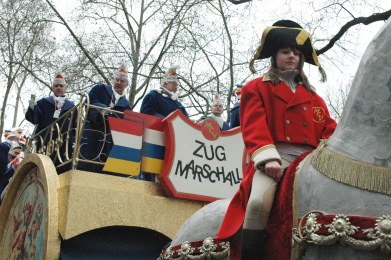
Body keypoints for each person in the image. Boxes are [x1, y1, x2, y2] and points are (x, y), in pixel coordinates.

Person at [216, 20, 337, 259]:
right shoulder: (255, 88)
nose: (291, 56)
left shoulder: (314, 97)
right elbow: (254, 126)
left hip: (311, 163)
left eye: (296, 52)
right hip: (275, 159)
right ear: (275, 56)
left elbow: (329, 129)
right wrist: (268, 159)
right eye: (285, 52)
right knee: (257, 205)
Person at [78, 65, 132, 173]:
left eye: (122, 81)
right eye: (117, 80)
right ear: (113, 80)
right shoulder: (99, 89)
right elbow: (89, 101)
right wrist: (102, 109)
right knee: (86, 168)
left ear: (126, 85)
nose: (119, 83)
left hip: (110, 144)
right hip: (92, 136)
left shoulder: (127, 106)